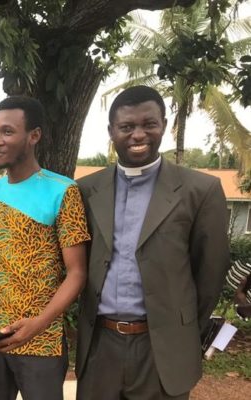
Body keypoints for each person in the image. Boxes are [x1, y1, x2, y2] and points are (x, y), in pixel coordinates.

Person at [75, 85, 230, 400]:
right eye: (126, 127)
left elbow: (210, 276)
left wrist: (181, 327)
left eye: (149, 124)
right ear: (111, 131)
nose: (138, 134)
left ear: (164, 126)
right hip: (100, 345)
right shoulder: (86, 190)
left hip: (163, 350)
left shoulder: (200, 190)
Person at [0, 96, 89, 400]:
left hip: (41, 340)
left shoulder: (63, 190)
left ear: (34, 136)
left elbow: (77, 273)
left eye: (7, 132)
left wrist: (37, 325)